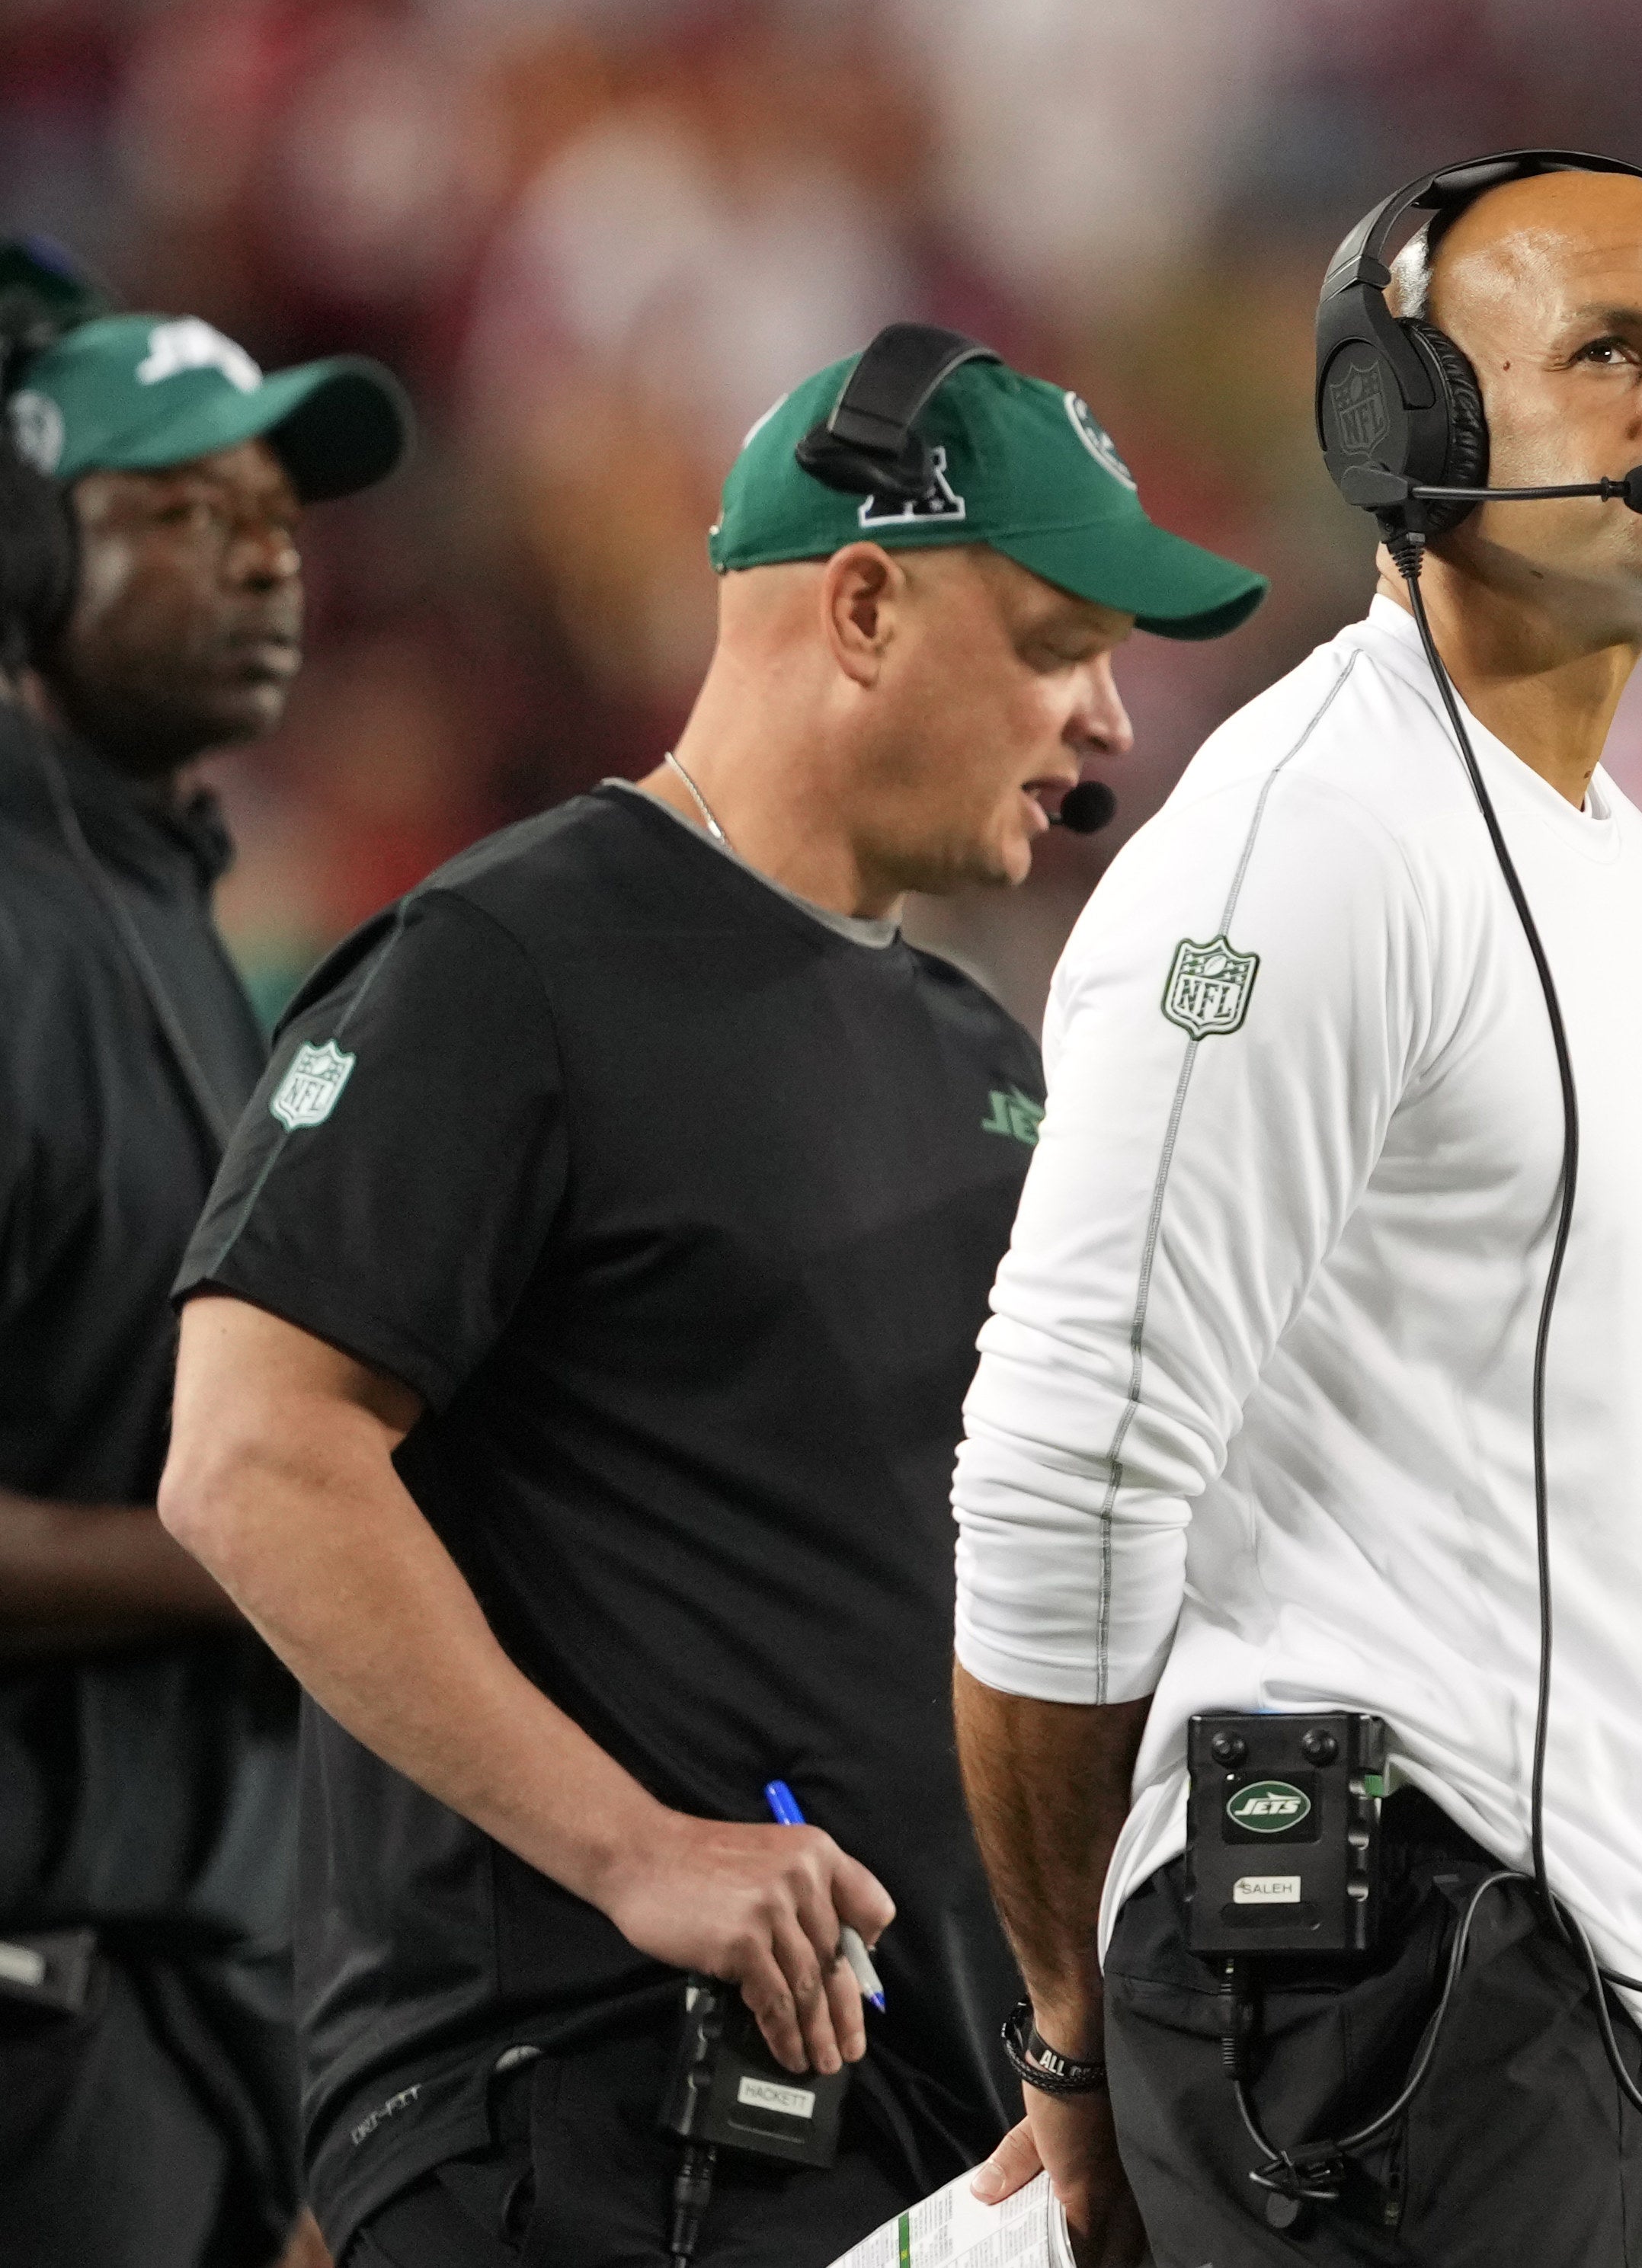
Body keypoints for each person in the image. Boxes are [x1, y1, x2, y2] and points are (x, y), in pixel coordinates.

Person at [156, 337, 1266, 2266]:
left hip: (907, 2133)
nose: (1110, 721)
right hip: (591, 2114)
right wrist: (631, 1845)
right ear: (859, 606)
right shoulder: (505, 965)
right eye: (1057, 639)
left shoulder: (977, 1054)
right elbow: (249, 1453)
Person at [951, 155, 1642, 2267]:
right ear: (1403, 427)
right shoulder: (1313, 841)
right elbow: (1066, 1458)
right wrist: (1061, 2026)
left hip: (1582, 1991)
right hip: (1374, 1978)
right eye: (1608, 347)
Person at [2, 269, 415, 2268]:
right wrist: (269, 1540)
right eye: (175, 511)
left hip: (173, 1999)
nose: (260, 556)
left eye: (272, 512)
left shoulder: (170, 909)